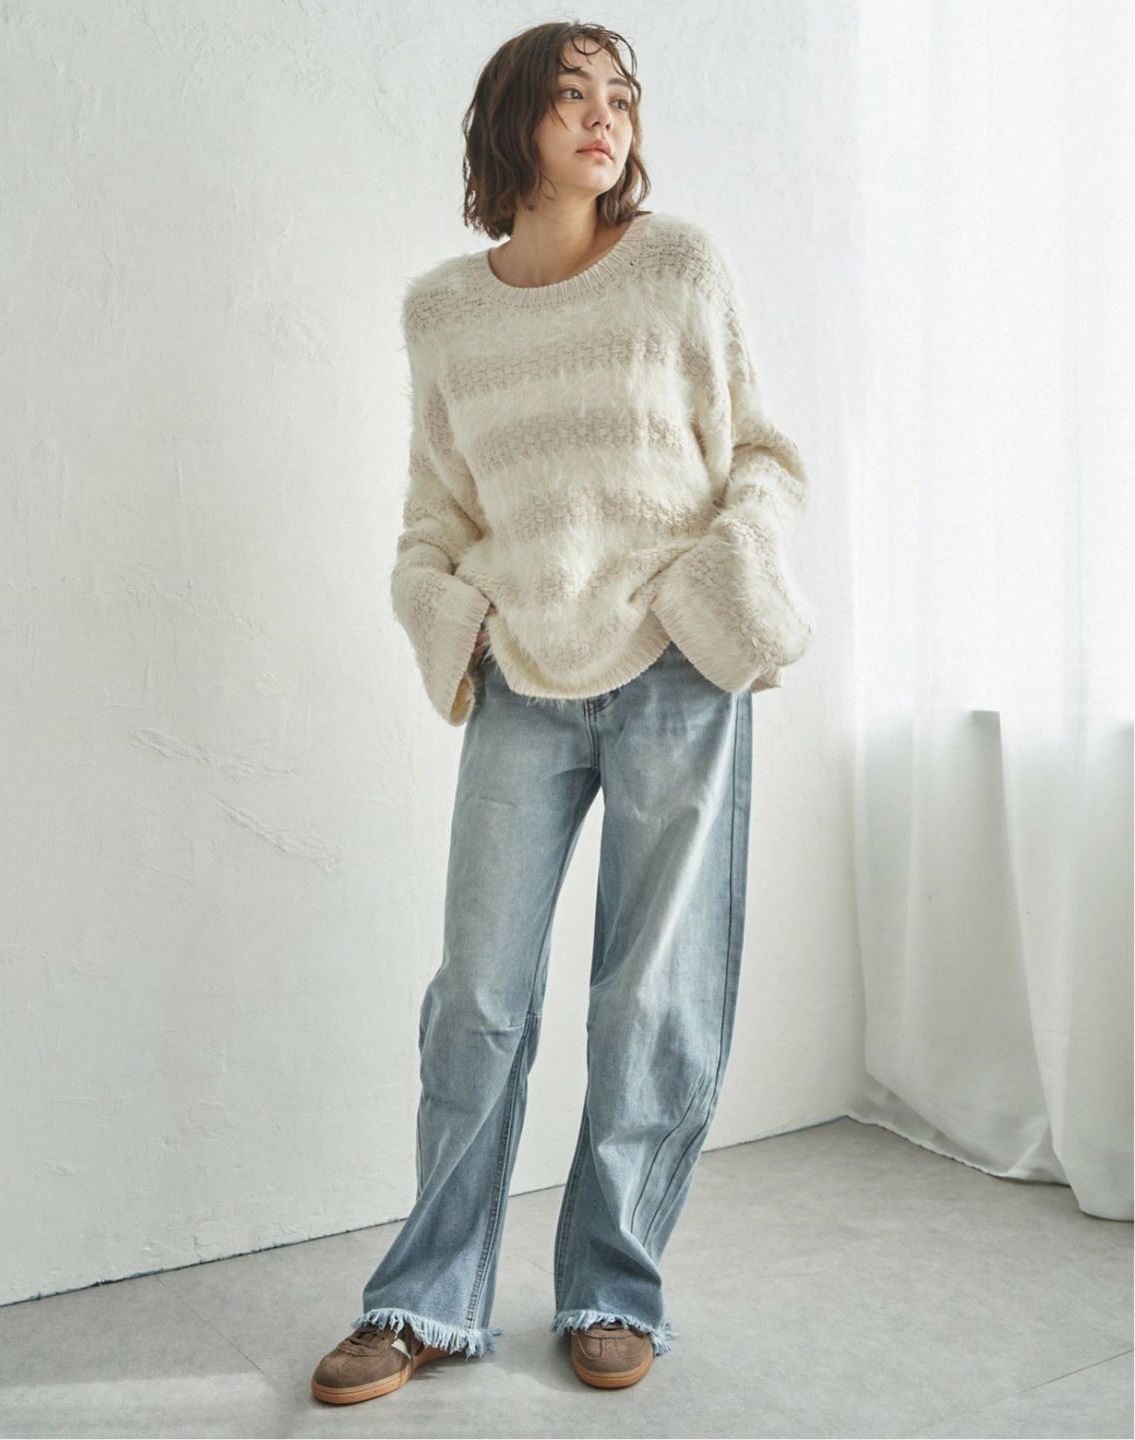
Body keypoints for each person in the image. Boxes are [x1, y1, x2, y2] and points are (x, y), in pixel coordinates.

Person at [311, 19, 814, 1407]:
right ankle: (423, 1299)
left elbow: (763, 458)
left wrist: (711, 591)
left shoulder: (677, 266)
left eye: (623, 98)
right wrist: (453, 615)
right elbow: (433, 515)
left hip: (678, 671)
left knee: (653, 997)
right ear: (513, 122)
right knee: (476, 999)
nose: (606, 118)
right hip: (524, 680)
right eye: (573, 94)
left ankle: (611, 1286)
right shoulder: (444, 312)